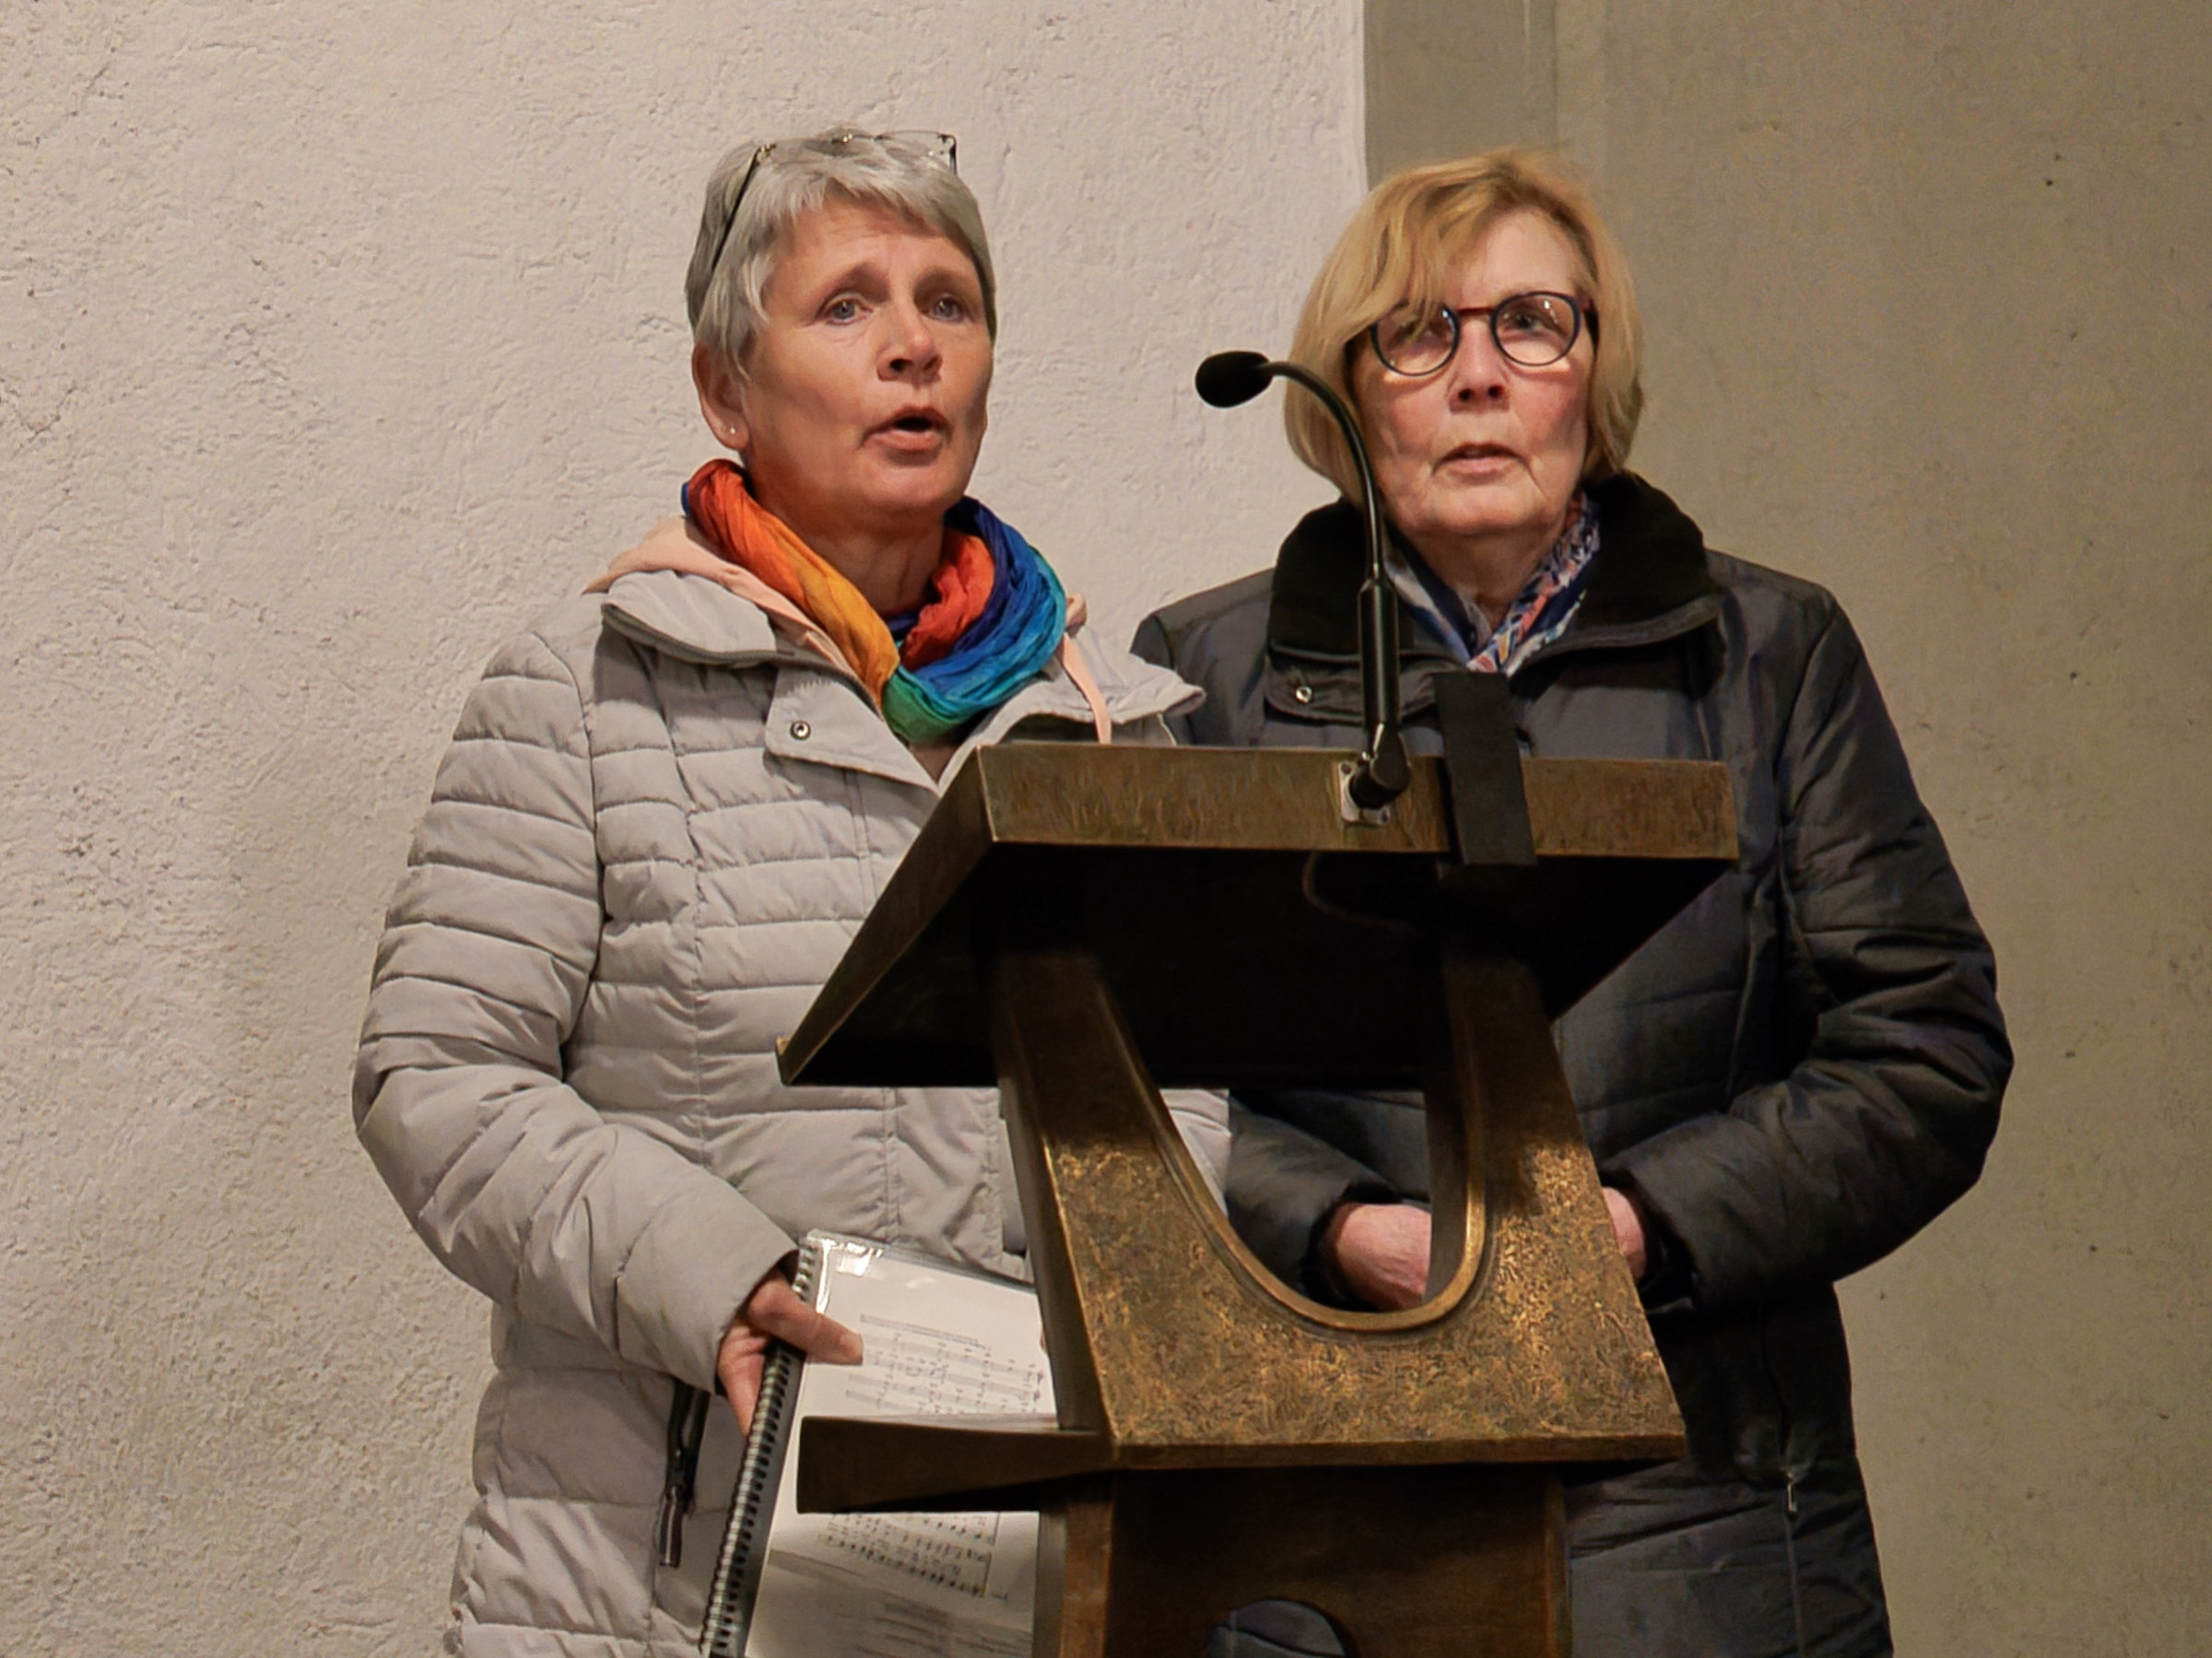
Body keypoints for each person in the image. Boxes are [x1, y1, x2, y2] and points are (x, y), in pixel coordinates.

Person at [1134, 148, 2009, 1657]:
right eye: (1420, 332)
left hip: (1709, 1528)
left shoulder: (1769, 655)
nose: (1479, 376)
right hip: (1322, 1521)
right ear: (1347, 393)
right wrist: (1338, 1227)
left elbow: (1924, 1051)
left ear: (1595, 378)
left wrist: (1638, 1227)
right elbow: (1126, 1075)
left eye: (1533, 324)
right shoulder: (1203, 676)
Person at [354, 128, 1213, 1658]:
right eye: (847, 306)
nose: (912, 348)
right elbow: (436, 1078)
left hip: (1022, 1560)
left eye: (949, 303)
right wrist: (720, 1278)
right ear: (725, 390)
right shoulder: (586, 692)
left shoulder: (1111, 726)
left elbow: (1189, 1085)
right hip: (653, 1583)